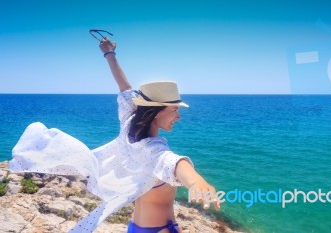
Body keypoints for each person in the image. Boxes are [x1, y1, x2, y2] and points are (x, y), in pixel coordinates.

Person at [8, 35, 220, 233]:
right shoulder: (153, 150)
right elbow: (174, 163)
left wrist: (109, 54)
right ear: (156, 112)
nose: (178, 117)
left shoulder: (129, 123)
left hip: (135, 227)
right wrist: (195, 181)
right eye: (174, 110)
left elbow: (125, 88)